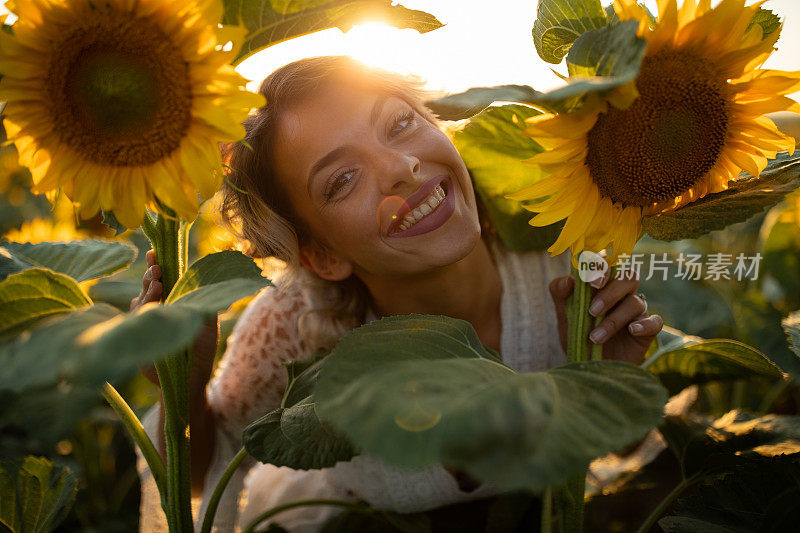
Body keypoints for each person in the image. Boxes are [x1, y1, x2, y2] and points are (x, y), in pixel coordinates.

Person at [132, 56, 663, 532]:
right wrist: (187, 385)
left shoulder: (564, 251)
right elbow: (205, 474)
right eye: (342, 180)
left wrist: (610, 383)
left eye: (401, 123)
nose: (399, 168)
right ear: (322, 255)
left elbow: (622, 449)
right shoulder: (294, 329)